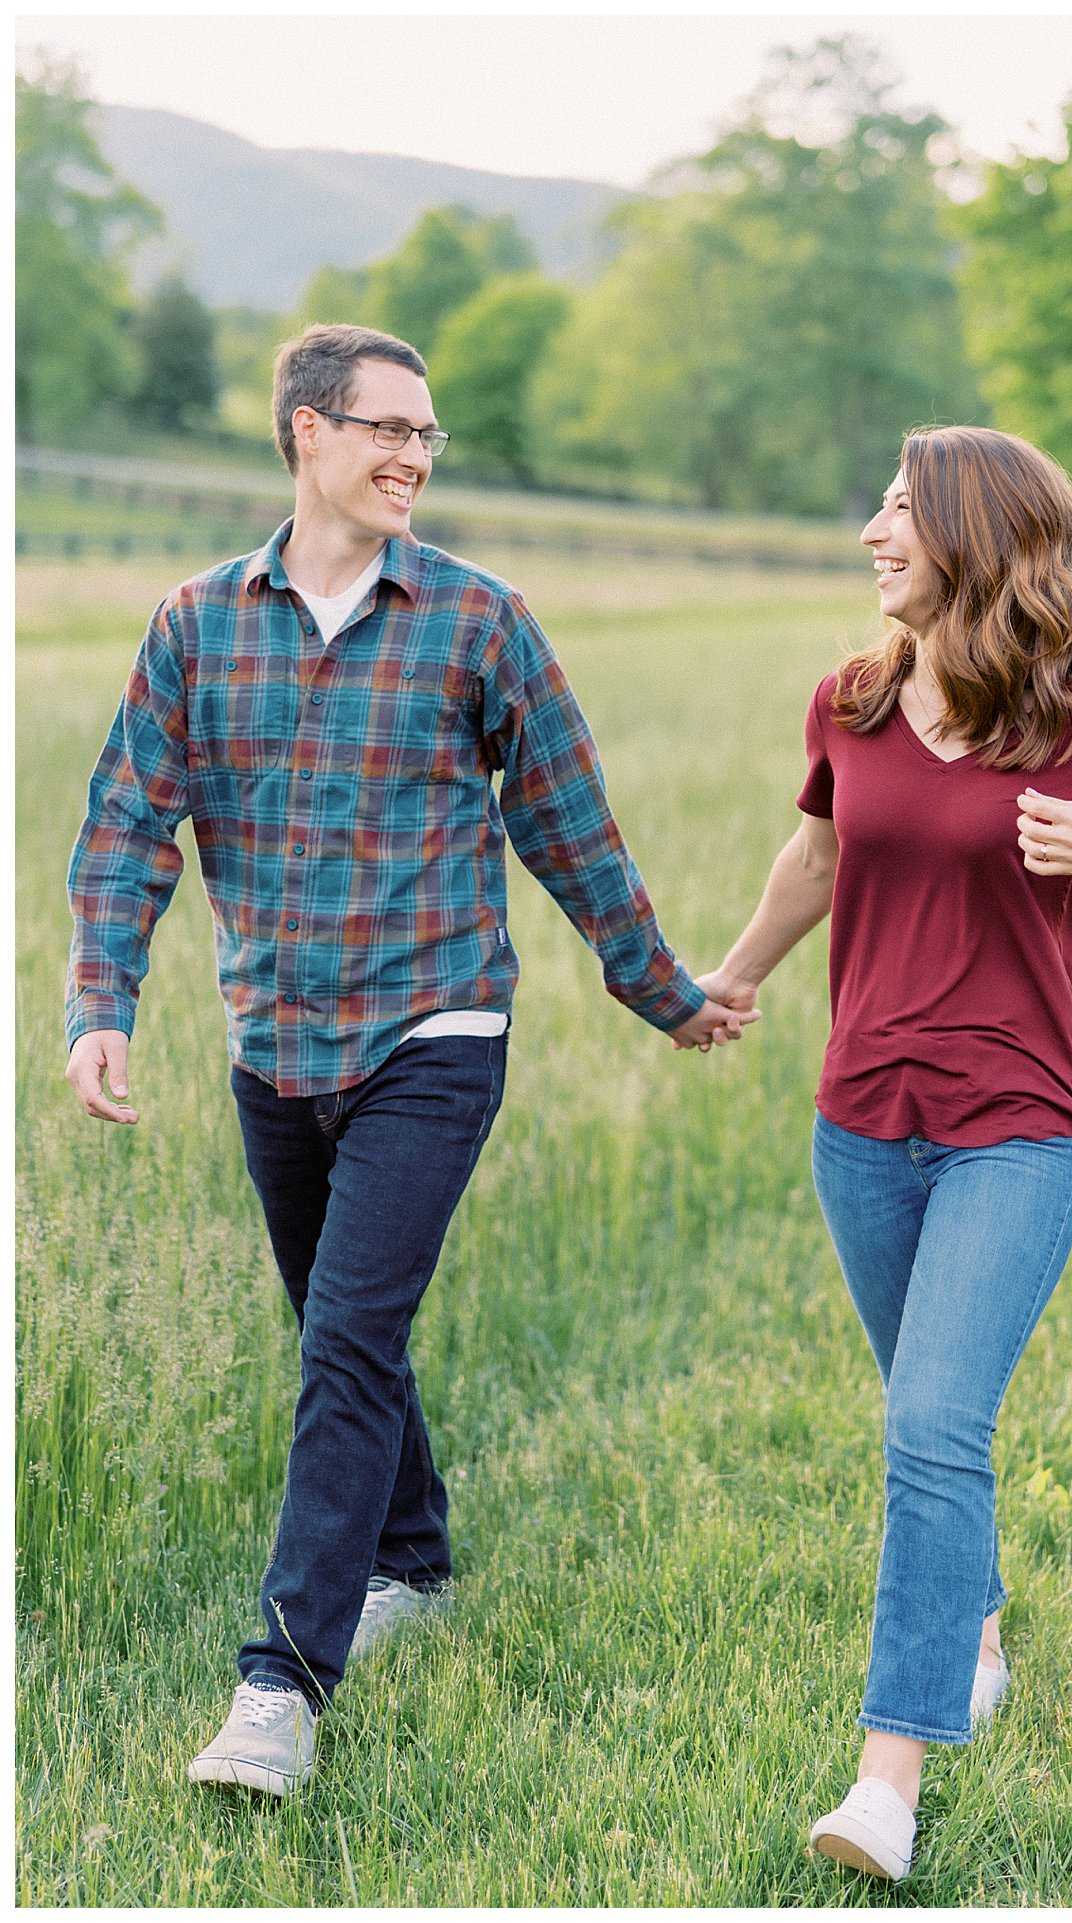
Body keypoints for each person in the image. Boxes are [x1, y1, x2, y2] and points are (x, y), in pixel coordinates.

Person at [63, 322, 754, 1796]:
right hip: (273, 1040)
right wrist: (101, 1001)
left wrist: (663, 992)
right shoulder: (196, 621)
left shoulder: (477, 621)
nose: (412, 458)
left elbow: (568, 825)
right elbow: (129, 824)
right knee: (337, 1321)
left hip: (435, 1030)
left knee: (344, 1342)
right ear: (307, 433)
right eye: (388, 429)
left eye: (429, 438)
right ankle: (415, 1559)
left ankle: (280, 1687)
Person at [693, 425, 1072, 1882]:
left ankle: (885, 1784)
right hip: (862, 1122)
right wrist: (733, 976)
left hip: (1016, 1125)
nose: (869, 536)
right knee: (924, 1420)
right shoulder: (847, 703)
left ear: (969, 534)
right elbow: (821, 856)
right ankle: (969, 1624)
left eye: (897, 512)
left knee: (929, 1427)